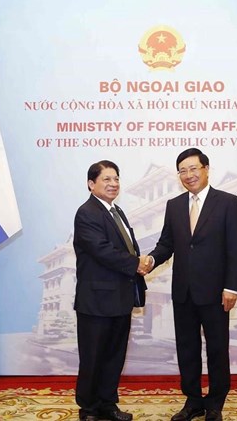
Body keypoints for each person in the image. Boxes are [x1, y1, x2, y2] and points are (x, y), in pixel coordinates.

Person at [148, 148, 237, 421]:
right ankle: (192, 401)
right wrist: (151, 260)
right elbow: (167, 244)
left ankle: (214, 403)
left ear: (206, 169)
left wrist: (232, 287)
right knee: (187, 349)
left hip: (216, 293)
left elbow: (236, 248)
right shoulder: (174, 205)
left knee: (217, 349)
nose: (188, 175)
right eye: (183, 170)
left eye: (194, 168)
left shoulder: (227, 202)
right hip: (183, 292)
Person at [73, 160, 150, 421]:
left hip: (119, 298)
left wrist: (139, 261)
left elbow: (127, 247)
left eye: (116, 178)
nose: (113, 183)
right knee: (93, 357)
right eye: (106, 179)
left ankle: (108, 404)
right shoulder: (87, 213)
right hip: (95, 301)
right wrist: (135, 264)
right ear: (91, 183)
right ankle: (89, 408)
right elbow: (102, 251)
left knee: (114, 356)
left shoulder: (117, 211)